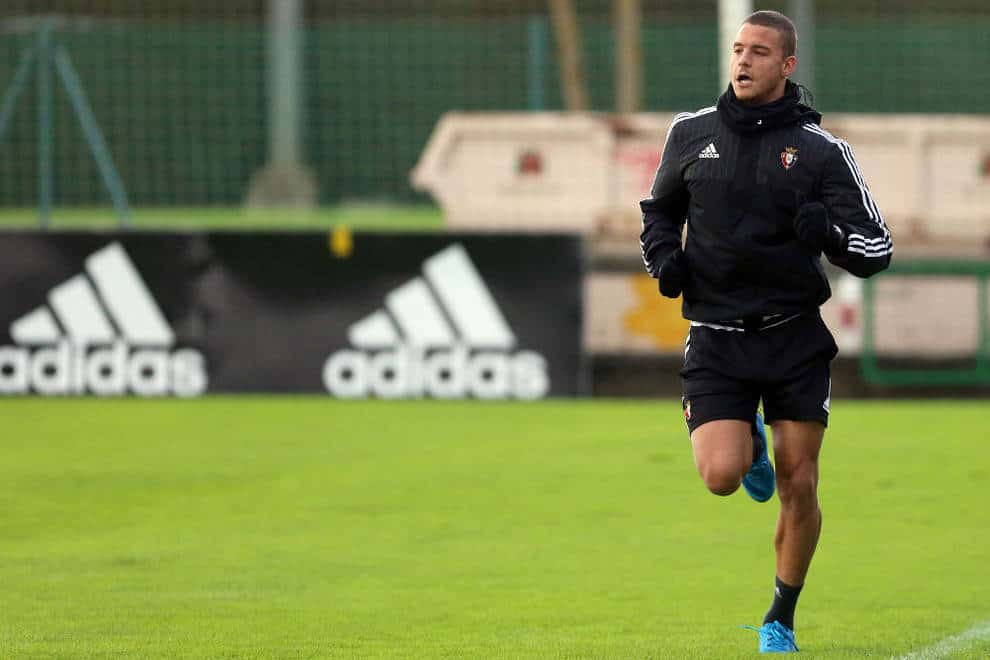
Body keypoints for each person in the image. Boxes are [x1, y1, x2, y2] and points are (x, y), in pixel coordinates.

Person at [639, 9, 892, 654]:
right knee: (722, 476)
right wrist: (664, 257)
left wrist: (829, 235)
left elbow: (876, 246)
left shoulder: (820, 151)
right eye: (737, 49)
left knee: (799, 481)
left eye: (759, 52)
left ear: (787, 65)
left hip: (792, 338)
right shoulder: (691, 134)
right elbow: (658, 214)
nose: (743, 61)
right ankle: (745, 437)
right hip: (718, 336)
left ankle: (780, 616)